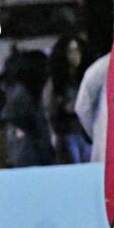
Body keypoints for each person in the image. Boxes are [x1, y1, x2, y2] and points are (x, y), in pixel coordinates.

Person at [44, 33, 92, 163]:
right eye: (71, 51)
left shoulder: (86, 77)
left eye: (77, 51)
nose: (75, 55)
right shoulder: (56, 82)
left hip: (85, 133)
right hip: (67, 132)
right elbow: (49, 109)